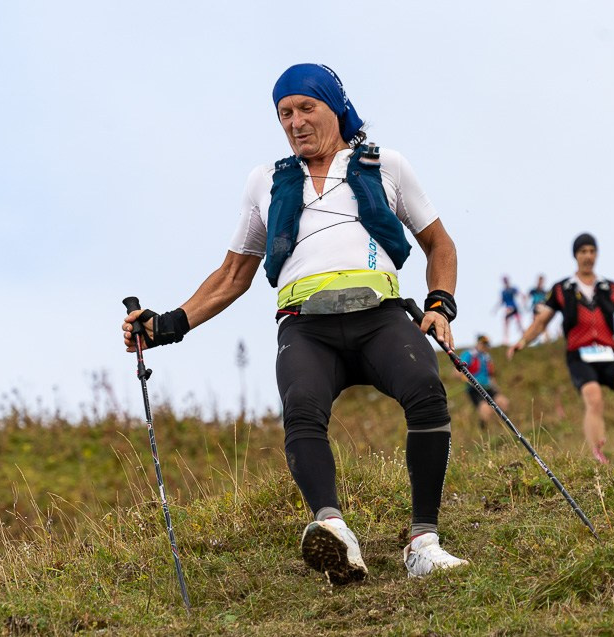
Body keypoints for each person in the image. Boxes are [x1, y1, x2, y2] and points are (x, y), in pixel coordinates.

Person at [122, 63, 467, 585]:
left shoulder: (386, 165)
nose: (295, 122)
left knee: (426, 391)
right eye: (284, 113)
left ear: (337, 108)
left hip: (380, 315)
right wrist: (166, 325)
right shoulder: (266, 181)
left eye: (307, 108)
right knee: (302, 410)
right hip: (306, 326)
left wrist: (440, 304)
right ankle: (334, 532)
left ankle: (424, 544)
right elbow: (234, 273)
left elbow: (439, 244)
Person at [506, 233, 614, 465]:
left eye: (592, 251)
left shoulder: (609, 288)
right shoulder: (562, 289)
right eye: (583, 251)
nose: (588, 256)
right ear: (575, 255)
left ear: (597, 254)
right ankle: (598, 456)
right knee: (593, 396)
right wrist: (522, 342)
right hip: (579, 355)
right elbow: (541, 321)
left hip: (607, 352)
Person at [457, 335, 510, 429]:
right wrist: (464, 378)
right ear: (478, 343)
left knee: (504, 403)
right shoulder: (469, 354)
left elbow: (491, 375)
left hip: (488, 386)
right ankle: (484, 431)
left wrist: (495, 386)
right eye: (483, 344)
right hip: (475, 388)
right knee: (486, 410)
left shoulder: (487, 357)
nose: (485, 346)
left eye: (487, 344)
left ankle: (504, 428)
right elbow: (458, 370)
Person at [498, 276, 525, 344]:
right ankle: (506, 340)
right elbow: (502, 301)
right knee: (507, 323)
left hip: (514, 308)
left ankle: (524, 337)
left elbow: (521, 294)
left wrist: (523, 301)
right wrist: (495, 309)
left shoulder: (512, 289)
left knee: (519, 323)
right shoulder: (503, 292)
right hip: (509, 308)